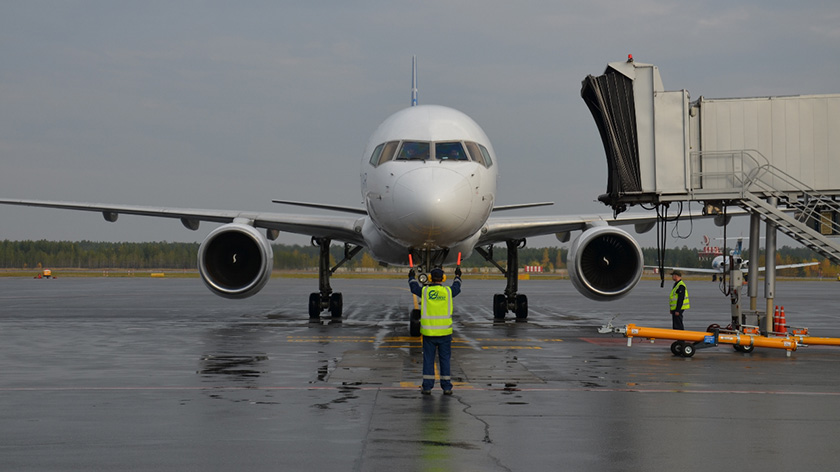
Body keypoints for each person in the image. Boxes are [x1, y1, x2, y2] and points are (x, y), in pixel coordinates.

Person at [409, 266, 462, 395]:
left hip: (429, 333)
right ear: (443, 278)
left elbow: (414, 288)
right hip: (445, 333)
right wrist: (458, 276)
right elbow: (457, 287)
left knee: (428, 359)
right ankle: (447, 387)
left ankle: (427, 387)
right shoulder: (448, 292)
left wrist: (411, 277)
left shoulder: (425, 291)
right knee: (445, 360)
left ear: (431, 278)